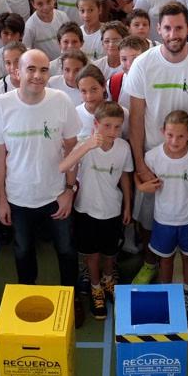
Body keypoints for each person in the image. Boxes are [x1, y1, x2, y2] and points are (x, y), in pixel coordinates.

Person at [124, 2, 188, 288]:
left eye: (179, 27)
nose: (173, 33)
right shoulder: (143, 64)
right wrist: (141, 165)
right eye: (167, 28)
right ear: (159, 29)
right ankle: (150, 261)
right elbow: (137, 120)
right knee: (148, 220)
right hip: (155, 159)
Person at [0, 49, 83, 318]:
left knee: (66, 250)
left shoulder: (61, 101)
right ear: (17, 72)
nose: (38, 76)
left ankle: (72, 298)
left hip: (55, 194)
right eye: (31, 69)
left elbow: (72, 147)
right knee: (23, 250)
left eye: (43, 70)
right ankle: (28, 295)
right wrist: (3, 199)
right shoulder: (1, 106)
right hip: (18, 198)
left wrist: (69, 190)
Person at [59, 101, 133, 319]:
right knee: (91, 255)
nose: (113, 132)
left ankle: (108, 279)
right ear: (96, 124)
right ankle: (95, 287)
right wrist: (87, 146)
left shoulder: (124, 148)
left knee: (110, 253)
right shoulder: (84, 145)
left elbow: (125, 176)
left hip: (112, 210)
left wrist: (128, 204)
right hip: (86, 210)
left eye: (117, 127)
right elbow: (63, 167)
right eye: (107, 126)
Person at [136, 110, 188, 318]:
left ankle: (187, 291)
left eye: (181, 136)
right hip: (163, 219)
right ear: (162, 132)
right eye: (170, 135)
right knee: (165, 260)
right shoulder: (152, 156)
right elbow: (136, 174)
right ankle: (166, 292)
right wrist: (141, 186)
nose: (175, 140)